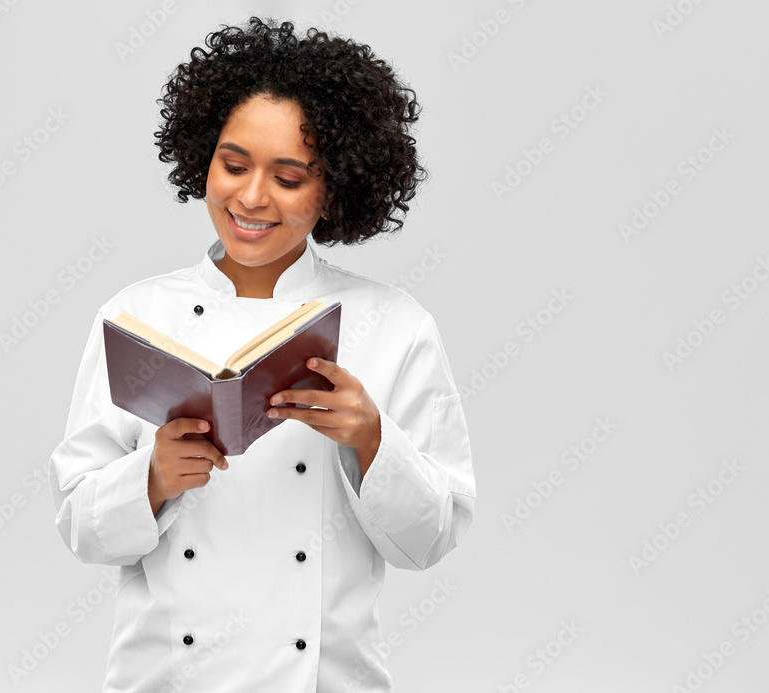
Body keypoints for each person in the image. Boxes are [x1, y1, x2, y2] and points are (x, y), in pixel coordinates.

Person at [48, 16, 475, 692]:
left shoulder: (394, 325)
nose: (250, 197)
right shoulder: (135, 317)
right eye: (234, 164)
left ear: (333, 186)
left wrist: (370, 439)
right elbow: (79, 526)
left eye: (289, 177)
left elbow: (430, 540)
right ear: (203, 158)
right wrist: (151, 477)